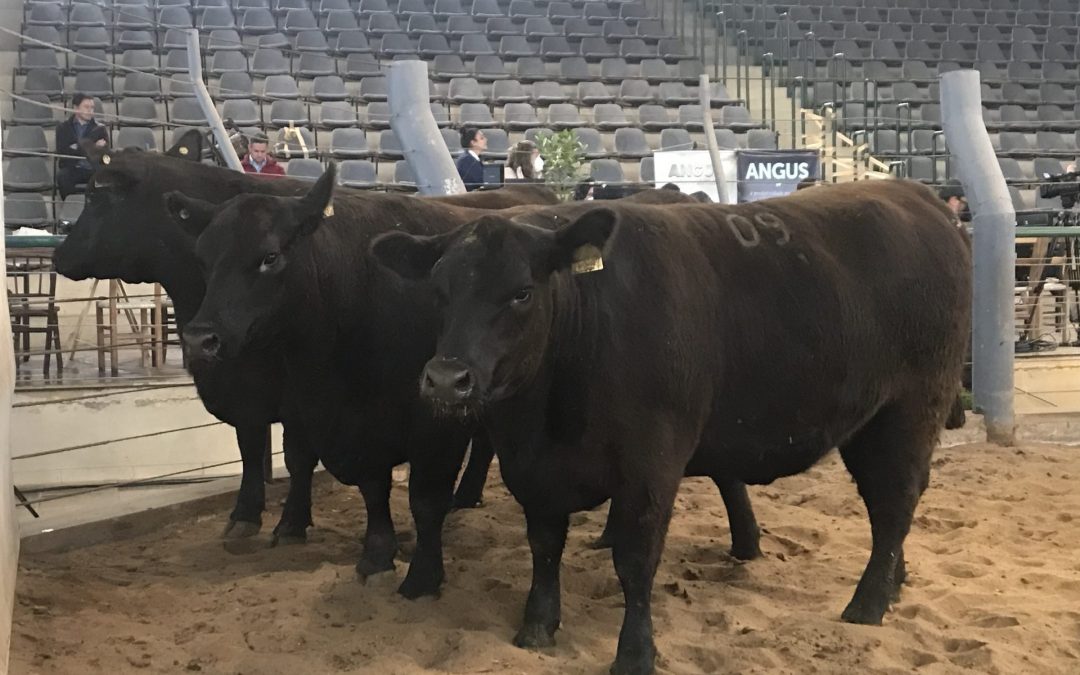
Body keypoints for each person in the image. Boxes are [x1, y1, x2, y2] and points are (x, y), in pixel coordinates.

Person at [55, 93, 110, 200]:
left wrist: (77, 147)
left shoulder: (100, 129)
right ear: (76, 108)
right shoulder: (63, 128)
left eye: (92, 108)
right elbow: (63, 153)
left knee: (106, 177)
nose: (90, 111)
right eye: (86, 107)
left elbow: (105, 156)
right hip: (73, 168)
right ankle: (71, 207)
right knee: (62, 176)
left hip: (93, 168)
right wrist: (92, 146)